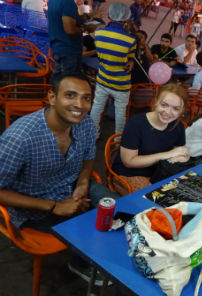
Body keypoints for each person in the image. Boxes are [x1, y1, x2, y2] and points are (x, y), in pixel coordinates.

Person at [0, 73, 119, 231]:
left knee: (123, 213)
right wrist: (55, 206)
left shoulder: (86, 124)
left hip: (73, 185)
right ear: (52, 97)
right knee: (91, 236)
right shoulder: (19, 138)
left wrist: (83, 184)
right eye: (70, 95)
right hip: (36, 207)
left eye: (86, 98)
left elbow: (88, 159)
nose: (79, 104)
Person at [111, 84, 189, 195]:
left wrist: (181, 157)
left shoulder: (178, 126)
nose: (168, 112)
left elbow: (181, 154)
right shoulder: (136, 123)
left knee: (185, 193)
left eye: (176, 109)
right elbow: (128, 162)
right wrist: (168, 155)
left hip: (159, 173)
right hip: (129, 174)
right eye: (164, 105)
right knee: (158, 200)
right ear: (156, 102)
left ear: (182, 110)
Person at [89, 2, 137, 136]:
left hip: (103, 79)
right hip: (121, 84)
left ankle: (93, 135)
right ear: (126, 19)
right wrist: (131, 62)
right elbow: (130, 60)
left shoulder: (98, 34)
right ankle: (117, 140)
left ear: (109, 15)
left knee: (97, 106)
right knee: (120, 112)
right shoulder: (130, 40)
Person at [48, 0, 83, 81]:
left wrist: (87, 16)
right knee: (68, 83)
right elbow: (70, 30)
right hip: (69, 50)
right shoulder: (68, 3)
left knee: (59, 82)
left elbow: (63, 18)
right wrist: (84, 29)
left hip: (58, 47)